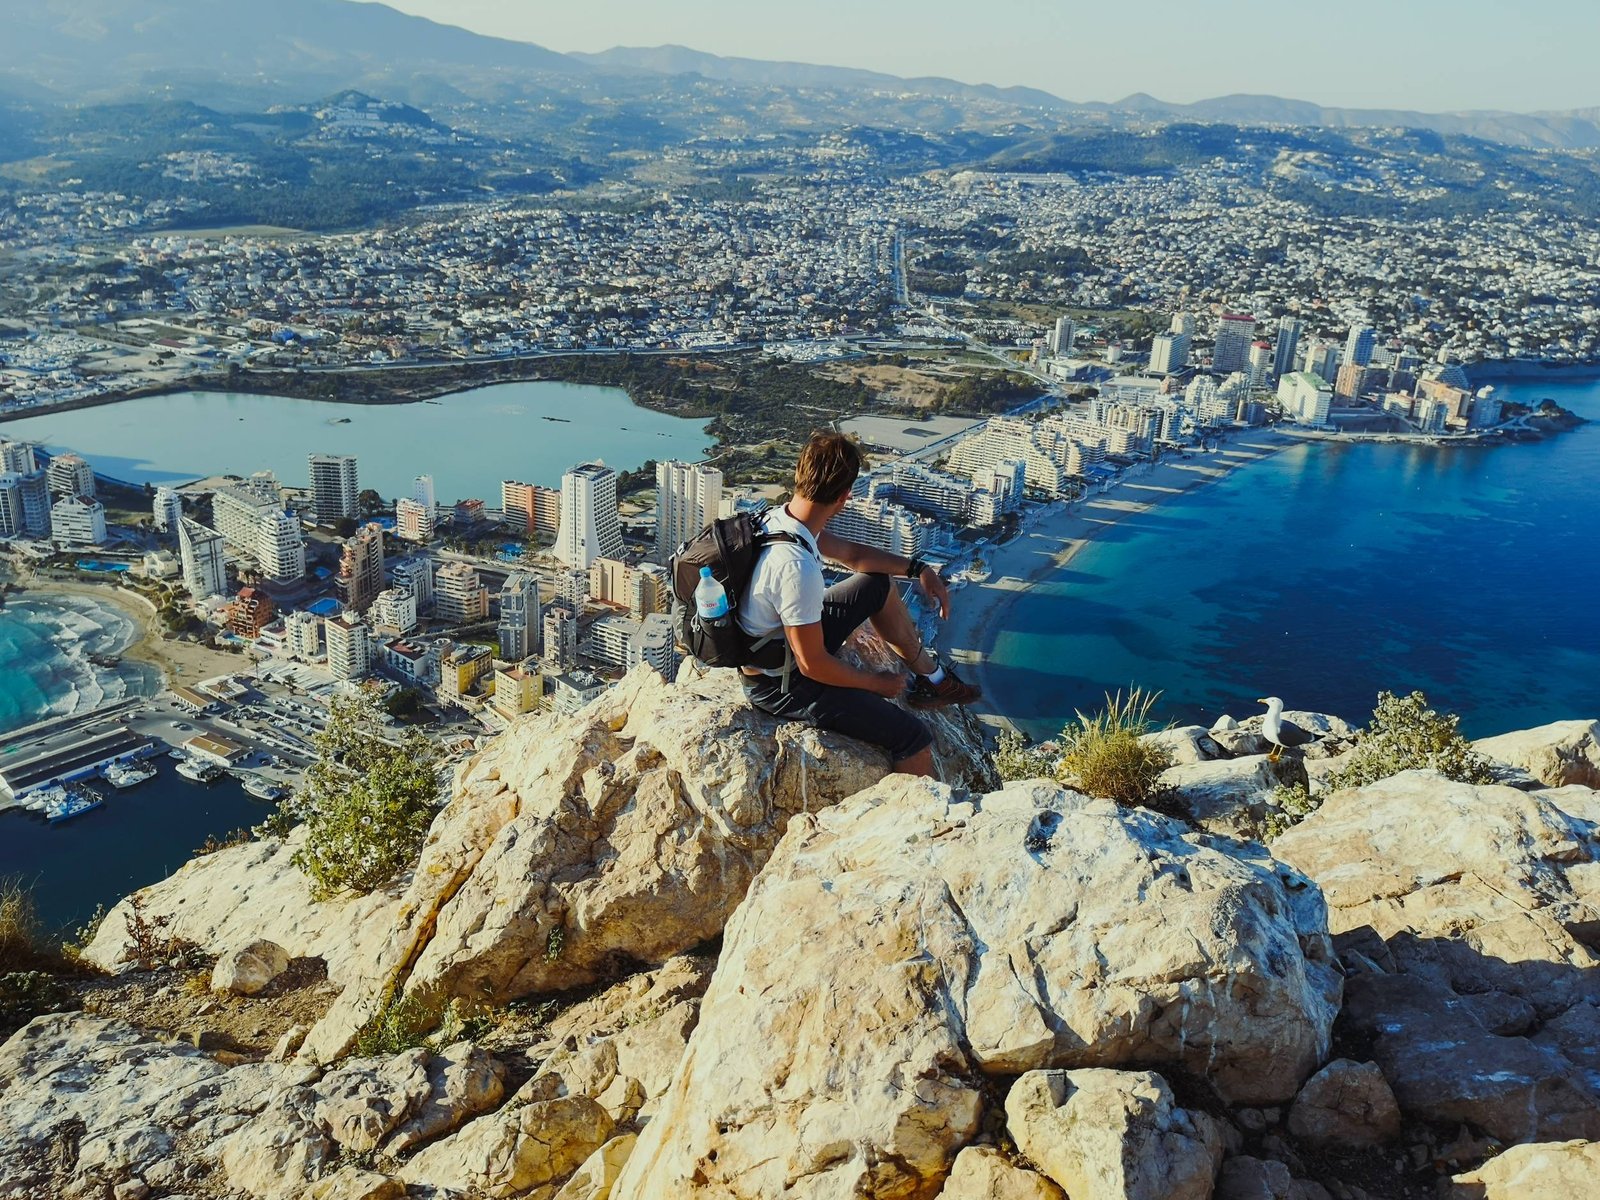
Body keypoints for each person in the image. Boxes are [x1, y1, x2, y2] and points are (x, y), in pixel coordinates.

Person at [739, 431, 981, 777]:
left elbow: (852, 555)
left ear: (799, 476)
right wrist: (875, 683)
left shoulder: (777, 519)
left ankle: (935, 679)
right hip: (781, 683)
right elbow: (812, 664)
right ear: (844, 497)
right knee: (913, 737)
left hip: (777, 647)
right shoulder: (795, 568)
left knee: (877, 583)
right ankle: (913, 825)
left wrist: (918, 569)